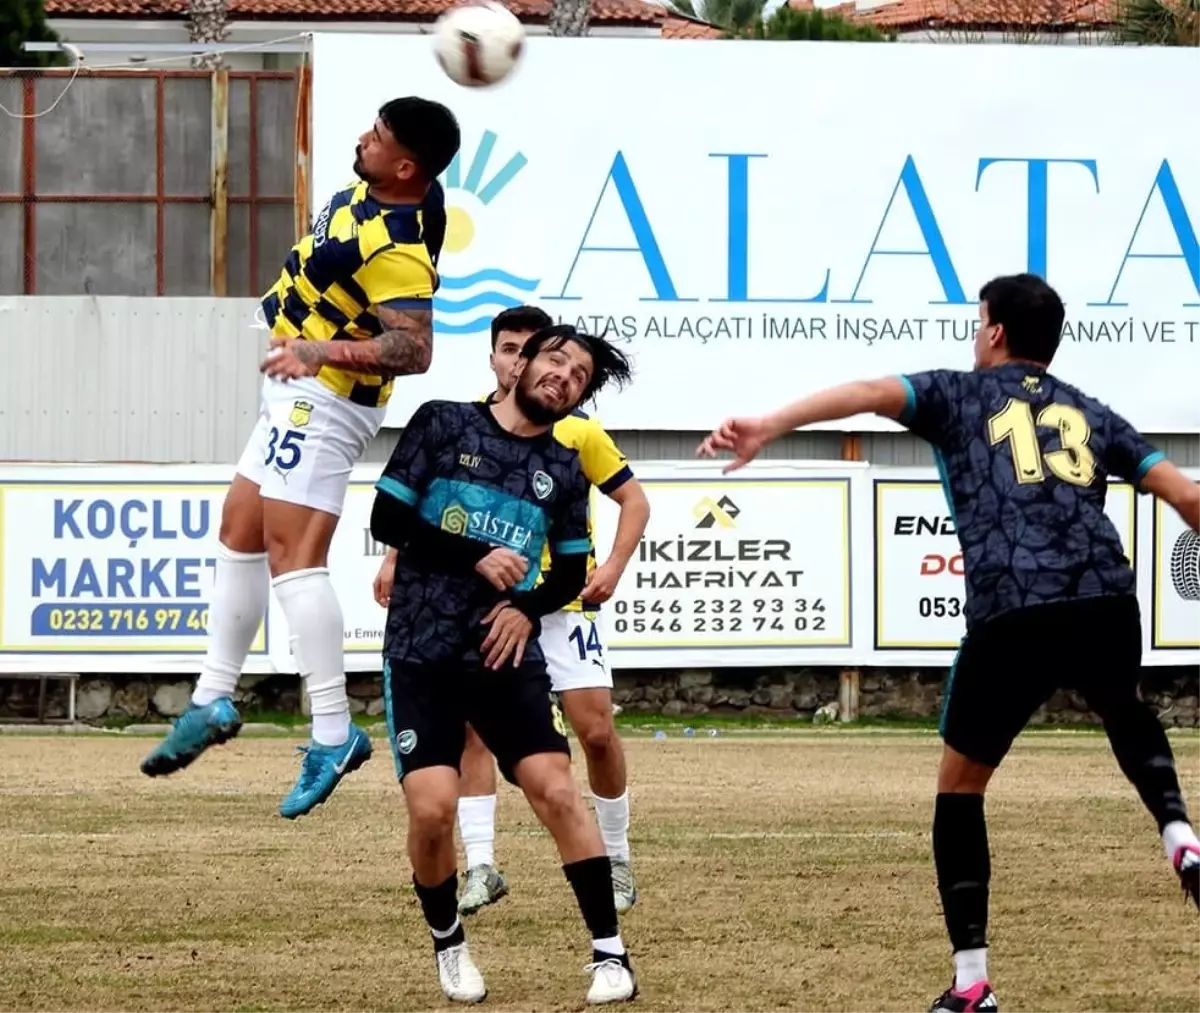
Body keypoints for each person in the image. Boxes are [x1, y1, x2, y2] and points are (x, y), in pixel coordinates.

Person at [697, 273, 1200, 1013]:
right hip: (1105, 594)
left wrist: (770, 424)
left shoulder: (960, 395)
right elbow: (1186, 496)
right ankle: (1179, 830)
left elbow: (869, 390)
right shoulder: (1092, 413)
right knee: (1122, 707)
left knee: (960, 789)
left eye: (978, 322)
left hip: (1014, 606)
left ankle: (972, 983)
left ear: (994, 331)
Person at [140, 97, 462, 821]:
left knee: (296, 558)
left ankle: (333, 731)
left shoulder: (400, 243)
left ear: (405, 165)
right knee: (239, 531)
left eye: (377, 137)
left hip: (327, 398)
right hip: (294, 388)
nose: (363, 138)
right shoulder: (391, 191)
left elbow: (415, 347)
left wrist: (320, 350)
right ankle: (213, 697)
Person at [370, 324, 639, 1005]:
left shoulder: (567, 469)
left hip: (502, 652)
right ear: (519, 362)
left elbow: (569, 572)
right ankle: (449, 941)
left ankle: (612, 957)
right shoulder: (442, 422)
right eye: (556, 360)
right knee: (432, 810)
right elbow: (385, 517)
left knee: (556, 787)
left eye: (579, 375)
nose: (564, 376)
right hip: (422, 649)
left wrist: (527, 608)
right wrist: (472, 555)